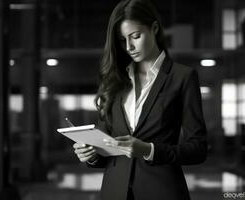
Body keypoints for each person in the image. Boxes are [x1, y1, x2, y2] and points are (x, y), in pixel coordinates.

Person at [73, 0, 207, 199]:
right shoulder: (114, 80)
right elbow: (106, 150)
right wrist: (91, 156)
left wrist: (148, 150)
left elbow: (198, 149)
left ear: (154, 28)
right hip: (114, 193)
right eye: (122, 40)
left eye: (135, 36)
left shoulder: (182, 77)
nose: (129, 46)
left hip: (162, 192)